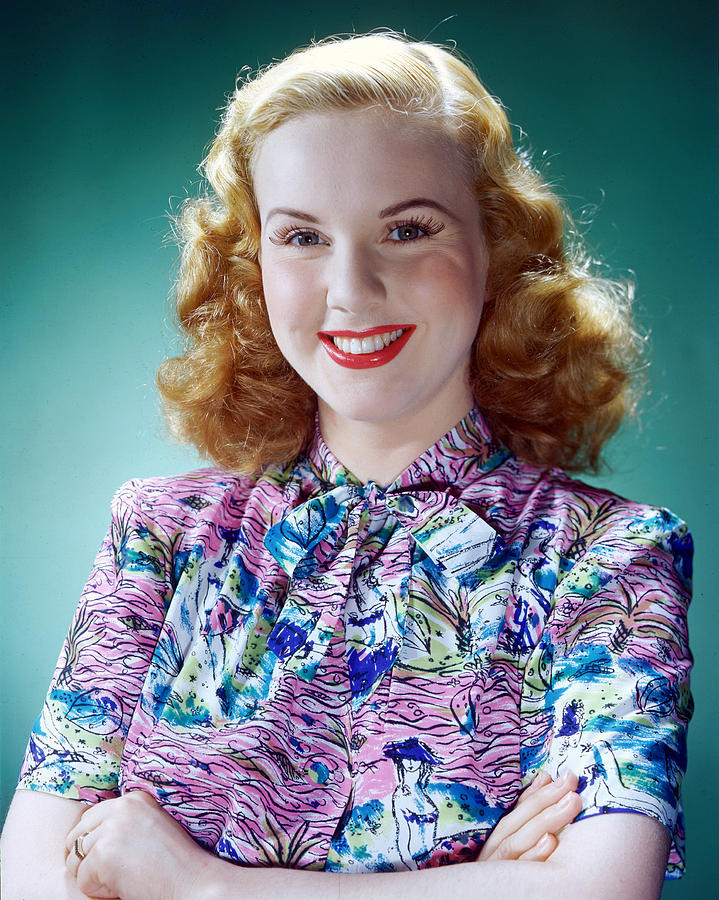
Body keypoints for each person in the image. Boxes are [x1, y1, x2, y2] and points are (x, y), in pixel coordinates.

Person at [1, 31, 692, 900]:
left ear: (496, 252)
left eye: (406, 229)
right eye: (301, 237)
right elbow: (31, 883)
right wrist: (483, 882)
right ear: (254, 267)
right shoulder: (160, 534)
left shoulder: (611, 555)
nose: (352, 289)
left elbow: (598, 890)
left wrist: (197, 883)